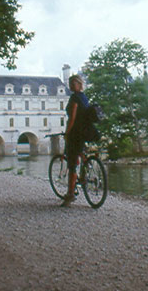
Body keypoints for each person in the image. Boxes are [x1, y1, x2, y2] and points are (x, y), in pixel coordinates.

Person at [61, 74, 89, 207]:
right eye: (70, 83)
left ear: (79, 84)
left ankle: (70, 194)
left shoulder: (74, 98)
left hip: (75, 132)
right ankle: (85, 173)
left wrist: (67, 133)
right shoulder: (84, 97)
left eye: (73, 83)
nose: (71, 86)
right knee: (80, 154)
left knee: (71, 164)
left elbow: (72, 117)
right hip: (85, 131)